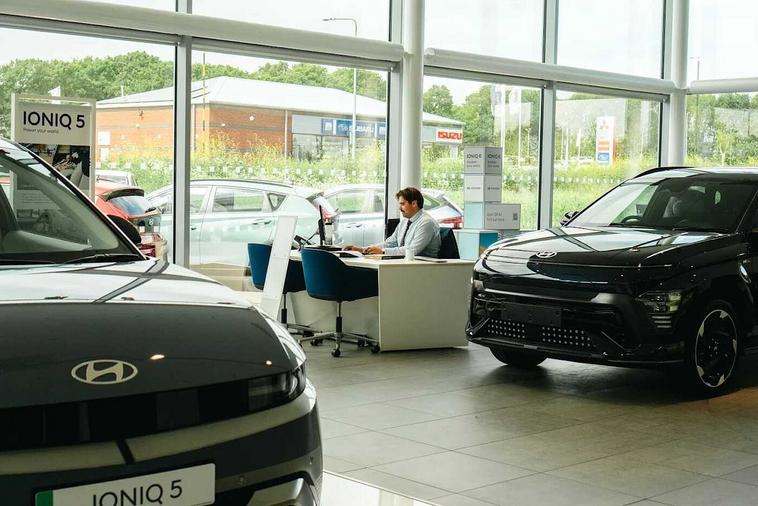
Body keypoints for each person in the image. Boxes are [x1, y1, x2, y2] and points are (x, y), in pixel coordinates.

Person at [345, 187, 441, 257]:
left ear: (414, 204)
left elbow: (412, 250)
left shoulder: (426, 223)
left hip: (424, 268)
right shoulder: (405, 222)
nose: (400, 208)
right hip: (406, 264)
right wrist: (362, 249)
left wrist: (383, 251)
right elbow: (390, 243)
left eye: (402, 204)